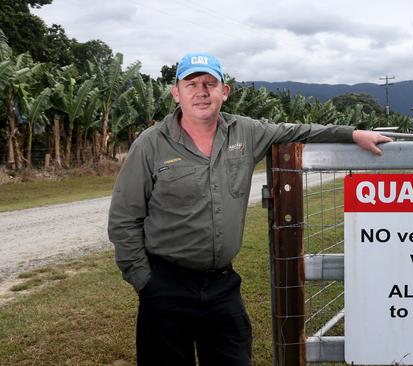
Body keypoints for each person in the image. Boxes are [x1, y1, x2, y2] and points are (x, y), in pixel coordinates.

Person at [107, 51, 391, 366]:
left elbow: (297, 130)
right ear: (176, 92)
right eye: (191, 84)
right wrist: (144, 280)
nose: (201, 91)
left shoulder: (245, 132)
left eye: (209, 83)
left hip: (221, 285)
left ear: (224, 92)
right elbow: (124, 219)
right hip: (165, 284)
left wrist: (352, 134)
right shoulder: (150, 145)